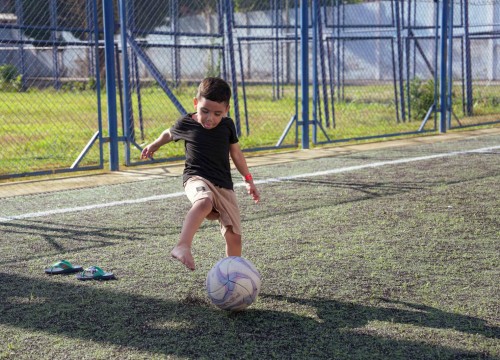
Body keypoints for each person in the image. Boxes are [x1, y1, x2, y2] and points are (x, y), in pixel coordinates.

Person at [140, 77, 260, 271]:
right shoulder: (186, 123)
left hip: (224, 186)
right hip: (196, 178)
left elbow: (236, 153)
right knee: (204, 201)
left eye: (217, 113)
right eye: (204, 111)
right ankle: (182, 246)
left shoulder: (227, 126)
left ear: (227, 110)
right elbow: (168, 134)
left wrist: (248, 180)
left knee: (234, 236)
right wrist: (153, 145)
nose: (210, 118)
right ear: (196, 103)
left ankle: (233, 274)